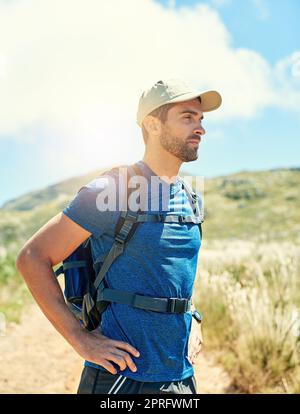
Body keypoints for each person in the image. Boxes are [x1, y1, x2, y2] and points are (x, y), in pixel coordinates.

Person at [16, 78, 222, 394]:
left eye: (200, 119)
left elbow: (173, 276)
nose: (200, 129)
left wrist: (192, 316)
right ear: (153, 125)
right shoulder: (113, 191)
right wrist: (80, 339)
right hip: (122, 379)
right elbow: (32, 258)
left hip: (180, 375)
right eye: (187, 117)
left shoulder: (192, 200)